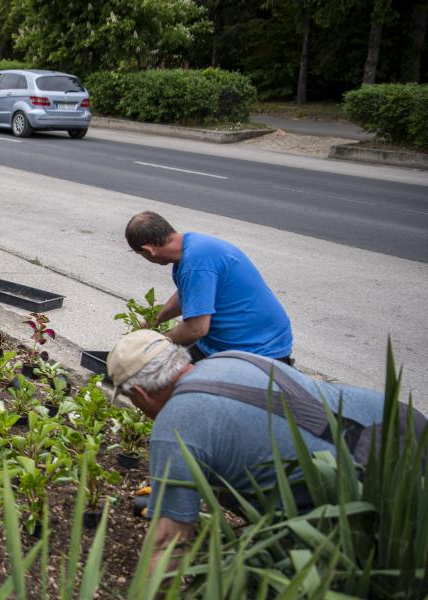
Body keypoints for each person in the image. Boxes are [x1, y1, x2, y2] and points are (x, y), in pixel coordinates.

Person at [106, 330, 423, 567]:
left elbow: (169, 541)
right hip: (405, 427)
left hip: (371, 486)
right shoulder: (230, 358)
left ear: (140, 395)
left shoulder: (175, 427)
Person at [125, 211, 293, 363]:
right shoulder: (192, 245)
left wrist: (155, 345)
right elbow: (192, 293)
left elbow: (195, 329)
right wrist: (153, 321)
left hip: (254, 350)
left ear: (148, 250)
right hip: (228, 343)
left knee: (167, 381)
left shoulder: (196, 263)